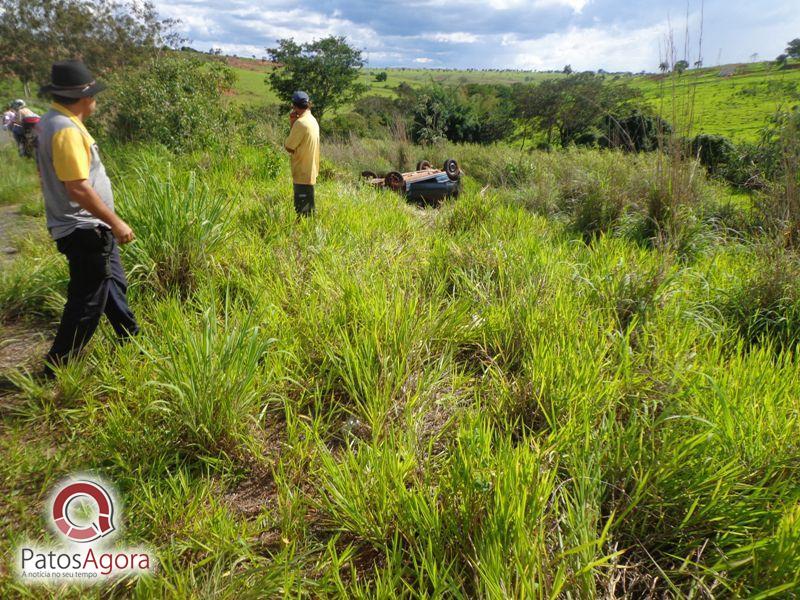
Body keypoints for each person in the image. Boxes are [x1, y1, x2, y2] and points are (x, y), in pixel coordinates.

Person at [36, 60, 139, 378]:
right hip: (84, 229)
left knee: (113, 285)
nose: (96, 98)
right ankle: (56, 368)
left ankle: (131, 340)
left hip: (91, 228)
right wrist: (116, 221)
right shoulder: (65, 130)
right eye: (93, 93)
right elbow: (78, 188)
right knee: (87, 304)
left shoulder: (53, 120)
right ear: (83, 96)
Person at [283, 91, 320, 216]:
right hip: (310, 170)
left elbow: (289, 146)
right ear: (308, 104)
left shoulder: (300, 123)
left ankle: (302, 234)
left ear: (294, 106)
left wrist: (292, 123)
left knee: (302, 213)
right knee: (308, 210)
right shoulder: (312, 120)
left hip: (302, 172)